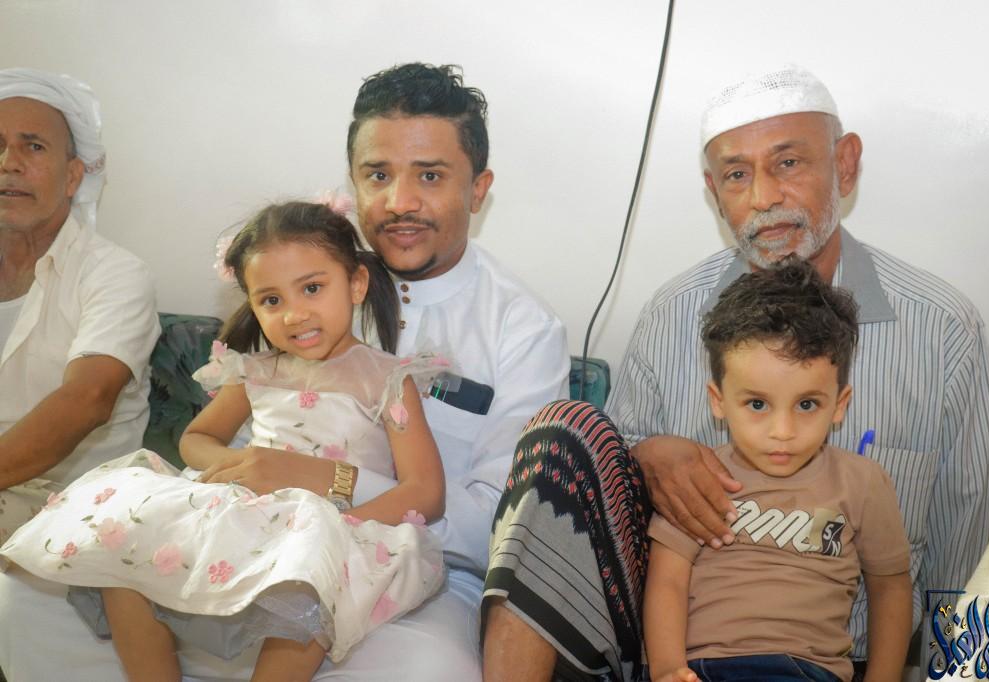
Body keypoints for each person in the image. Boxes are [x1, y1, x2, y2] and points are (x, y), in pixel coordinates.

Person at [0, 63, 570, 681]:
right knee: (24, 604)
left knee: (424, 672)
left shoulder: (523, 329)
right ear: (353, 181)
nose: (399, 202)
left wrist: (332, 486)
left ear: (478, 189)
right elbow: (235, 442)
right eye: (378, 175)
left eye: (430, 176)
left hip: (405, 569)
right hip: (244, 538)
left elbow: (498, 527)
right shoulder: (299, 282)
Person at [483, 64, 989, 681]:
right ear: (713, 189)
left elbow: (966, 563)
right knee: (561, 433)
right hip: (685, 660)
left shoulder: (943, 330)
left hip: (844, 664)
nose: (763, 197)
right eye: (736, 175)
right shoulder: (672, 314)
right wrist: (645, 454)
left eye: (788, 163)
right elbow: (601, 501)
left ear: (845, 164)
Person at [2, 199, 449, 681]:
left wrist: (343, 526)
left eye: (312, 288)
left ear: (356, 283)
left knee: (310, 577)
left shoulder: (386, 379)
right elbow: (196, 438)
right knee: (125, 541)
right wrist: (236, 465)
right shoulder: (255, 372)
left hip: (334, 524)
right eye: (271, 300)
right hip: (253, 512)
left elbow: (426, 491)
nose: (294, 315)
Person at [644, 262, 911, 682]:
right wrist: (666, 670)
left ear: (839, 404)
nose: (782, 432)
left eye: (806, 405)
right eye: (757, 404)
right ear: (718, 400)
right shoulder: (697, 476)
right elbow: (667, 581)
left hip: (807, 671)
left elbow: (891, 588)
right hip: (703, 669)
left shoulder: (862, 483)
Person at [0, 68, 159, 544]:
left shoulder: (115, 274)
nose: (9, 162)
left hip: (74, 504)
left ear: (73, 176)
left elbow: (86, 401)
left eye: (33, 146)